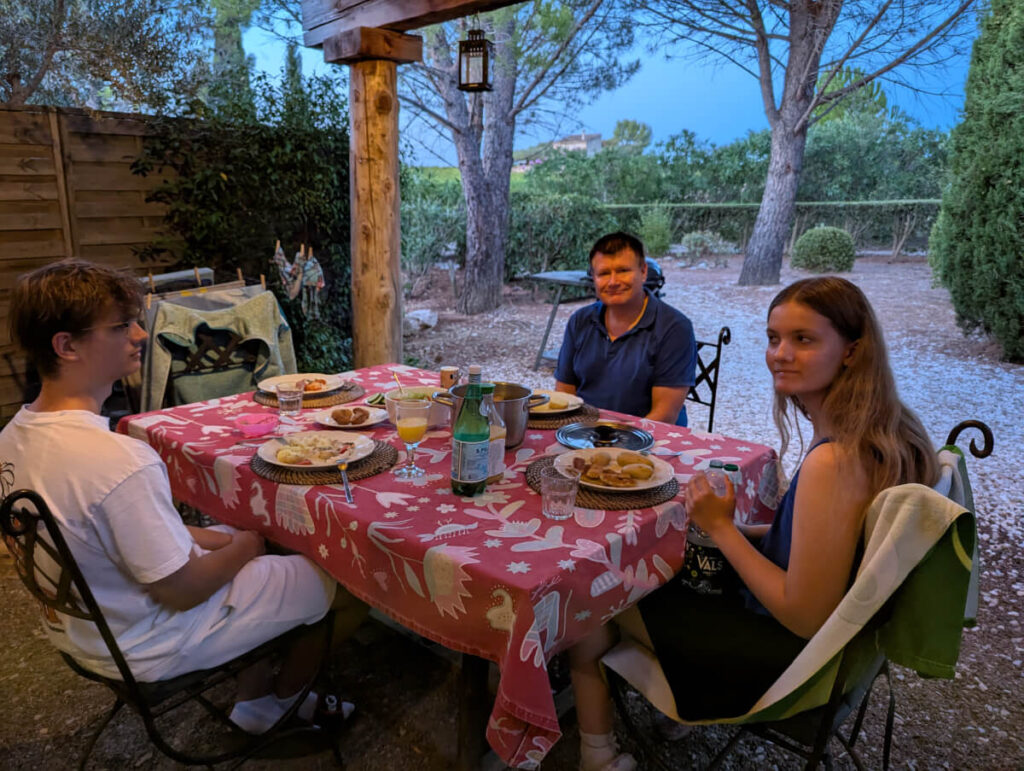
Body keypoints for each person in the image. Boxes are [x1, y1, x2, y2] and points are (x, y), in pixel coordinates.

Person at [567, 276, 938, 771]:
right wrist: (737, 531)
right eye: (773, 338)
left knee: (598, 598)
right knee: (671, 567)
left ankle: (597, 754)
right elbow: (824, 542)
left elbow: (804, 615)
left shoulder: (835, 461)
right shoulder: (881, 429)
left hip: (787, 661)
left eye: (803, 339)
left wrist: (721, 529)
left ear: (852, 350)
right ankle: (664, 698)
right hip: (842, 650)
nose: (780, 354)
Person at [0, 259, 357, 733]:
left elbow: (120, 533)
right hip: (153, 641)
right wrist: (248, 547)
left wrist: (231, 540)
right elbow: (183, 590)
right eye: (121, 326)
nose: (141, 335)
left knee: (244, 536)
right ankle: (288, 699)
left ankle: (253, 699)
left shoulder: (13, 437)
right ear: (66, 346)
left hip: (86, 629)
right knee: (344, 572)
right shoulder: (117, 459)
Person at [555, 232, 697, 426]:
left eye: (623, 271)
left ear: (643, 272)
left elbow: (664, 415)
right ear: (594, 278)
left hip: (651, 437)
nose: (613, 282)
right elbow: (564, 394)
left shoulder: (675, 328)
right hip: (585, 433)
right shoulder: (579, 321)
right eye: (604, 273)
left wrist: (606, 439)